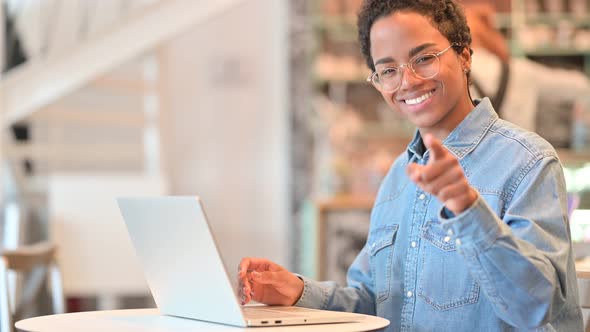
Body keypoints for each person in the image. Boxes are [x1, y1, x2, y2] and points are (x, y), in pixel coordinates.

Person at [238, 0, 584, 330]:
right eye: (388, 70)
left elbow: (536, 308)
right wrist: (299, 292)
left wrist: (467, 208)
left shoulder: (528, 161)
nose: (408, 81)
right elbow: (376, 303)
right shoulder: (397, 178)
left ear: (464, 55)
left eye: (424, 58)